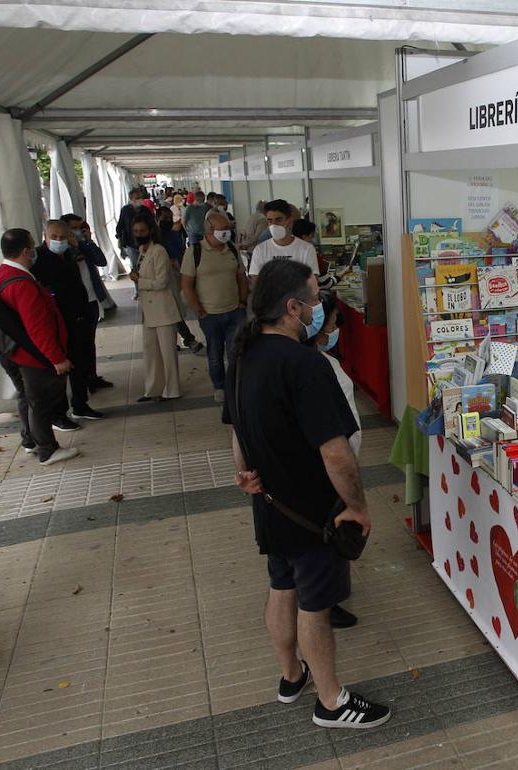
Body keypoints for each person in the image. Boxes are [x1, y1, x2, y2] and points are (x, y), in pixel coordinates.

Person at [226, 259, 388, 729]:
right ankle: (332, 701)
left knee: (282, 587)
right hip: (314, 512)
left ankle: (290, 676)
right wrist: (357, 507)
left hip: (272, 505)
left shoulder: (242, 353)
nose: (320, 307)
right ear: (293, 307)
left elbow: (237, 428)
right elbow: (335, 452)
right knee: (314, 606)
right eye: (315, 299)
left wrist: (244, 473)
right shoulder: (305, 364)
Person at [0, 228, 79, 466]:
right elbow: (37, 326)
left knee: (26, 397)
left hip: (9, 351)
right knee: (39, 401)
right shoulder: (23, 284)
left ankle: (29, 440)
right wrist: (57, 358)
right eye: (32, 247)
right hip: (29, 355)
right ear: (27, 251)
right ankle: (47, 450)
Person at [303, 291, 360, 630]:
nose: (337, 330)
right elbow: (343, 439)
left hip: (297, 480)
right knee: (328, 541)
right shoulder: (324, 369)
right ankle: (325, 604)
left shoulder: (280, 360)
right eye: (335, 323)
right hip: (328, 477)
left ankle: (320, 599)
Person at [34, 219, 103, 424]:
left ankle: (80, 405)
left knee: (80, 363)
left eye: (62, 237)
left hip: (78, 318)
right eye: (54, 237)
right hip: (57, 322)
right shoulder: (39, 260)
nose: (58, 241)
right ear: (45, 237)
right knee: (59, 370)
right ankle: (58, 415)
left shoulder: (70, 254)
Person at [180, 211, 248, 404]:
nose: (228, 232)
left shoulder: (232, 249)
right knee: (215, 353)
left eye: (229, 228)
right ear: (210, 229)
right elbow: (186, 284)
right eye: (224, 229)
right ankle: (219, 386)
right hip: (210, 314)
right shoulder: (194, 252)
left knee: (236, 351)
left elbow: (241, 277)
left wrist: (243, 302)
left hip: (235, 311)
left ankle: (236, 384)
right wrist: (199, 311)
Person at [129, 214, 182, 401]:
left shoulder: (159, 251)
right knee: (150, 351)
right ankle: (153, 389)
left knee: (167, 353)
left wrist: (139, 281)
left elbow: (162, 282)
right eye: (136, 231)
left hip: (163, 310)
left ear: (151, 231)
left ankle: (172, 389)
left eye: (142, 231)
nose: (139, 234)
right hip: (149, 311)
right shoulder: (143, 250)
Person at [59, 213, 114, 393]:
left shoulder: (84, 245)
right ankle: (82, 380)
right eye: (74, 228)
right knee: (78, 344)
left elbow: (101, 261)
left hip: (91, 300)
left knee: (89, 342)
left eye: (80, 227)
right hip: (74, 304)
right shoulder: (62, 251)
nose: (78, 231)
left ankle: (92, 376)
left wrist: (88, 241)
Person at [157, 208, 203, 354]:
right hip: (161, 278)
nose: (168, 221)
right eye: (165, 218)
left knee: (171, 309)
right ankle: (188, 339)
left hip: (175, 274)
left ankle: (175, 341)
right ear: (157, 219)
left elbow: (182, 253)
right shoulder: (155, 238)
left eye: (170, 218)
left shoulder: (174, 235)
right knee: (171, 309)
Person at [247, 199, 319, 289]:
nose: (274, 225)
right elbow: (255, 280)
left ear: (289, 221)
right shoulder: (260, 249)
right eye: (270, 221)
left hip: (297, 300)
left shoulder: (306, 248)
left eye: (278, 220)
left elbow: (313, 280)